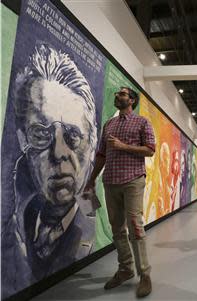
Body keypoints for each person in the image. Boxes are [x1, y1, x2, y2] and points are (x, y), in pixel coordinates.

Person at [1, 43, 97, 298]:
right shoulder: (16, 222)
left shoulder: (93, 222)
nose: (58, 153)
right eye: (41, 133)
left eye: (73, 135)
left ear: (92, 144)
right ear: (23, 140)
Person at [85, 86, 155, 298]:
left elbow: (150, 150)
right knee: (117, 228)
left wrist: (124, 146)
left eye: (123, 94)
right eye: (117, 94)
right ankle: (125, 268)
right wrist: (91, 179)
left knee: (135, 227)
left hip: (133, 180)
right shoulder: (109, 125)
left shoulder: (142, 122)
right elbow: (101, 155)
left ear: (132, 100)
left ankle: (145, 274)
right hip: (110, 182)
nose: (118, 96)